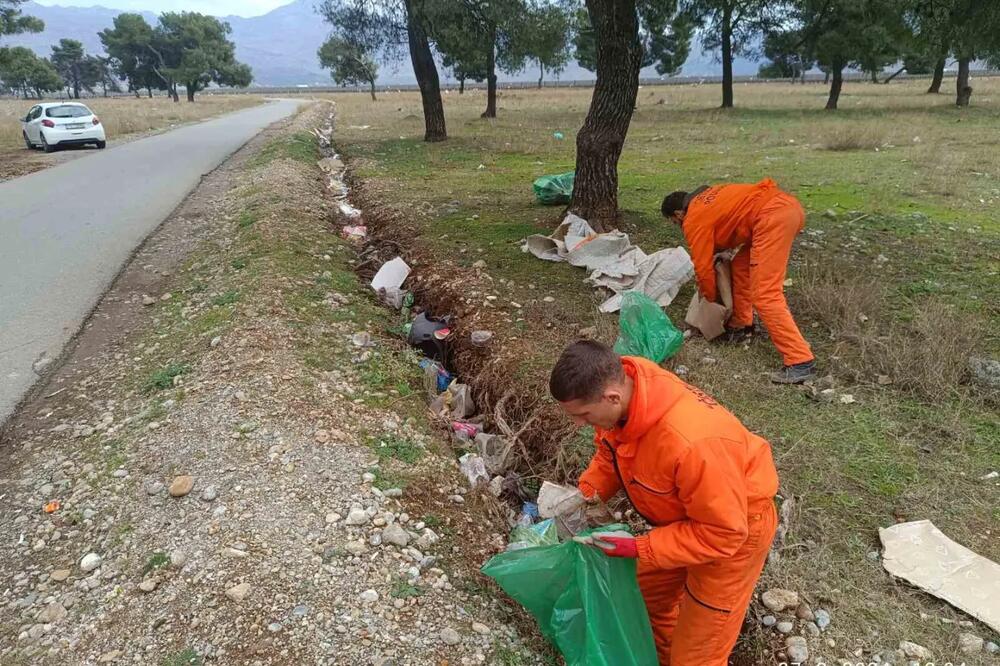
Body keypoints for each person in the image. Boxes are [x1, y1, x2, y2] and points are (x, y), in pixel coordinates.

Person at [550, 340, 779, 666]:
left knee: (697, 655)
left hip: (732, 532)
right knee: (639, 603)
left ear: (611, 397)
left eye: (583, 415)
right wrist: (583, 495)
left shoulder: (691, 443)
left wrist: (639, 549)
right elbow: (611, 454)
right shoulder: (625, 405)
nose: (578, 423)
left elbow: (724, 533)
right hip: (682, 520)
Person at [662, 179, 815, 384]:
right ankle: (742, 325)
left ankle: (800, 361)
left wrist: (711, 299)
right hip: (784, 208)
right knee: (741, 268)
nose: (678, 227)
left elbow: (703, 267)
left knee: (765, 294)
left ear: (679, 214)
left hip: (772, 217)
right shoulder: (707, 198)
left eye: (674, 223)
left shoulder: (694, 218)